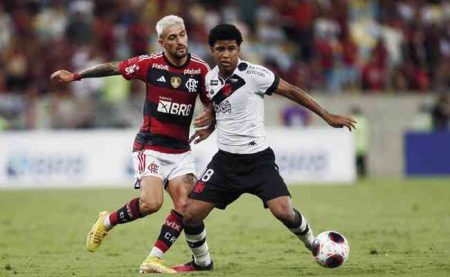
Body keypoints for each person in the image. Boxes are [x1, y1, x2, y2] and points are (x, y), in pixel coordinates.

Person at [172, 24, 356, 272]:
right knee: (191, 215)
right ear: (212, 51)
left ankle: (314, 244)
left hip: (258, 161)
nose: (226, 54)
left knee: (283, 212)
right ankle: (202, 263)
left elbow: (291, 91)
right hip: (225, 164)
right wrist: (210, 127)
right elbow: (222, 109)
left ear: (239, 49)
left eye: (231, 49)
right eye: (220, 49)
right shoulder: (208, 80)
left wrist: (328, 116)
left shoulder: (256, 75)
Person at [50, 15, 214, 274]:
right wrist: (75, 76)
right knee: (151, 203)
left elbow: (210, 104)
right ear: (162, 42)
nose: (180, 41)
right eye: (172, 37)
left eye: (182, 34)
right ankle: (107, 221)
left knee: (185, 206)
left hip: (181, 151)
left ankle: (154, 258)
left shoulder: (200, 69)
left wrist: (210, 123)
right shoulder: (149, 64)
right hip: (150, 146)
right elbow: (113, 67)